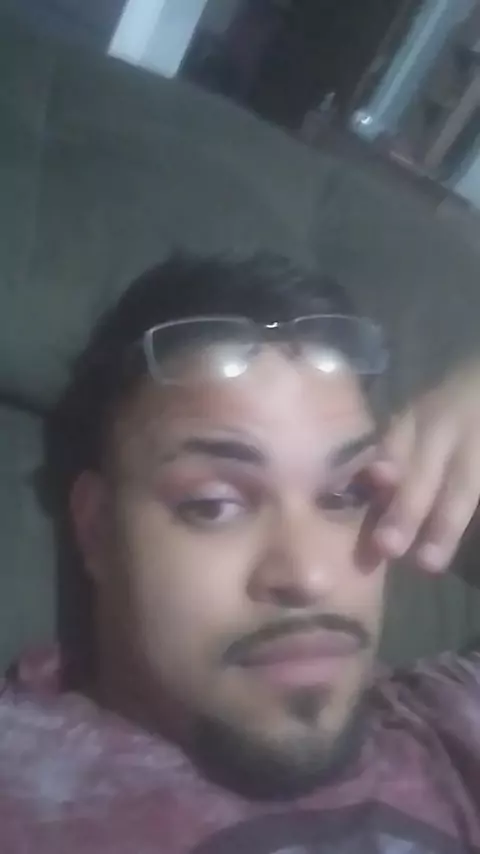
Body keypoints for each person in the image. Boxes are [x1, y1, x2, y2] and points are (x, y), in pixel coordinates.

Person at [1, 252, 480, 853]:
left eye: (347, 495)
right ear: (96, 529)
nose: (309, 575)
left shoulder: (444, 723)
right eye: (213, 505)